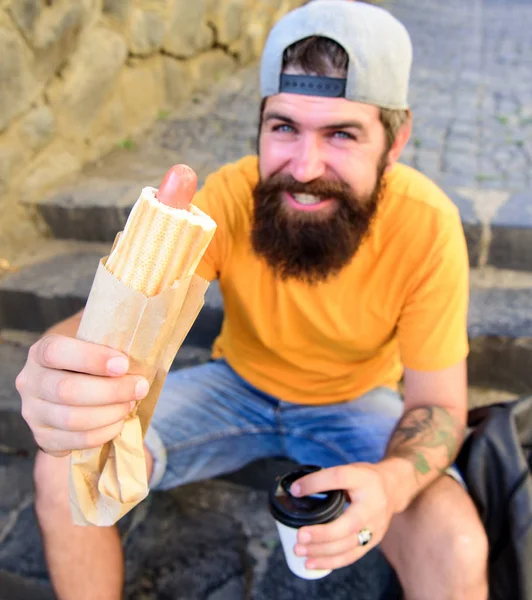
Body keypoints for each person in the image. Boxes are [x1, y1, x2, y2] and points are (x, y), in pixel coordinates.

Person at [15, 1, 489, 598]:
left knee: (457, 542)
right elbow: (123, 318)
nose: (305, 166)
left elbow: (440, 407)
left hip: (355, 403)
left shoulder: (427, 226)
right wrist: (62, 372)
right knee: (62, 466)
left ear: (396, 141)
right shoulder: (233, 194)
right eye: (284, 127)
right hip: (234, 386)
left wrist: (392, 485)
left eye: (342, 134)